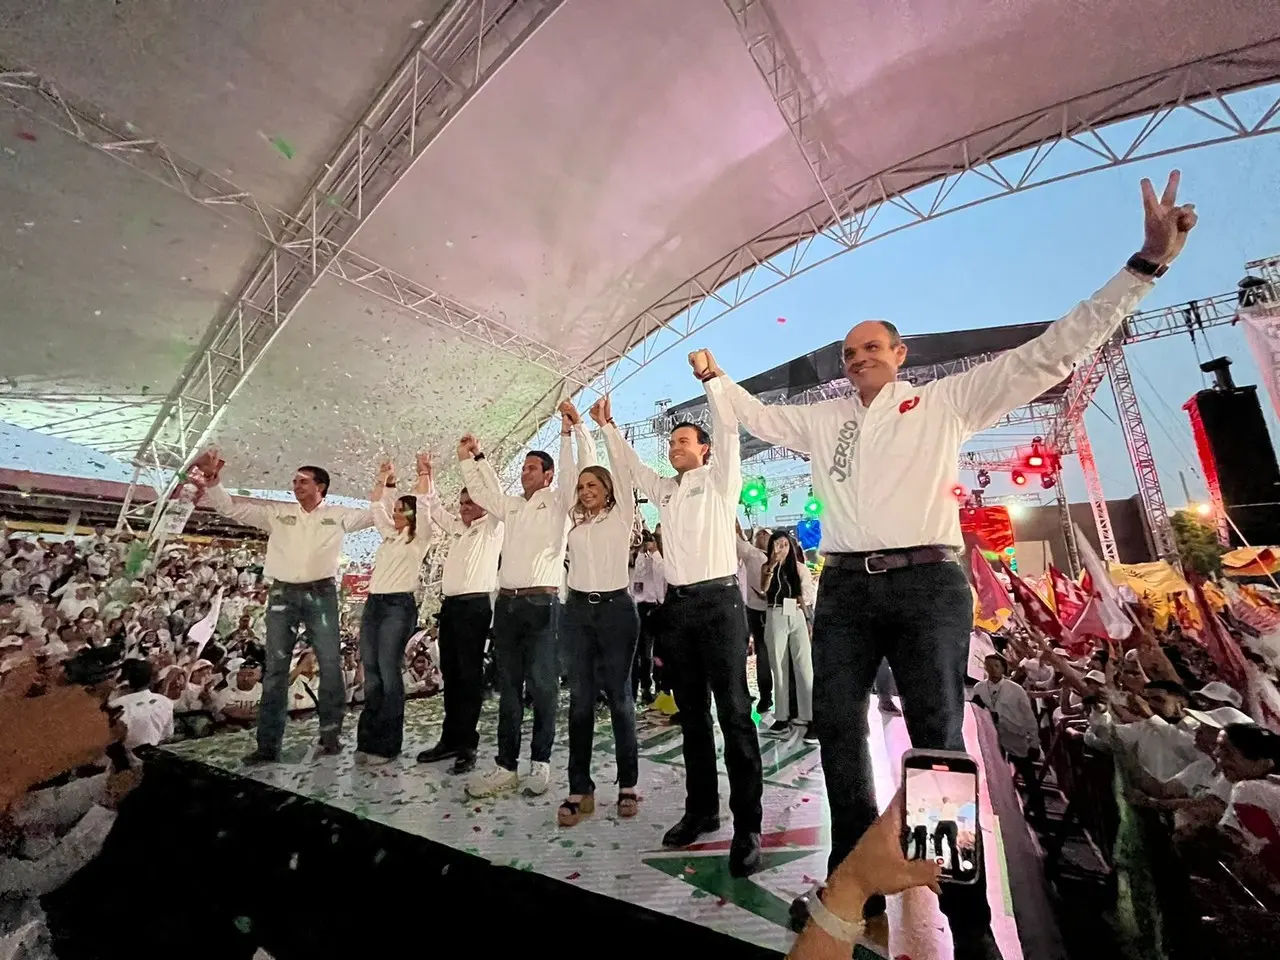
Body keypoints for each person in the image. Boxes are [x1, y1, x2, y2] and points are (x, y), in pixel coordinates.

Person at [704, 170, 1198, 954]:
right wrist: (717, 381)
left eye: (873, 347)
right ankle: (851, 888)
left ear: (900, 355)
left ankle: (965, 921)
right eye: (849, 350)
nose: (859, 357)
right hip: (843, 590)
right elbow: (756, 415)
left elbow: (1050, 353)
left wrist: (1144, 267)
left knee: (937, 737)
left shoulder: (944, 403)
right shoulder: (824, 418)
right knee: (835, 727)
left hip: (930, 583)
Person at [598, 361, 765, 878]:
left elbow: (731, 429)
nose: (674, 448)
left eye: (684, 441)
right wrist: (607, 427)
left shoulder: (720, 481)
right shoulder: (666, 492)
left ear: (705, 450)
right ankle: (701, 810)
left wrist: (712, 381)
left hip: (720, 605)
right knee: (691, 716)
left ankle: (749, 826)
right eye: (671, 444)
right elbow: (627, 467)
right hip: (679, 606)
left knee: (735, 715)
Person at [192, 449, 384, 762]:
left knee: (331, 667)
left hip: (321, 594)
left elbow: (377, 515)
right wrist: (213, 480)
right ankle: (268, 747)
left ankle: (330, 739)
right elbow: (228, 507)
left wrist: (383, 485)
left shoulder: (338, 514)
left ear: (320, 487)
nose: (296, 486)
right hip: (282, 594)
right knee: (276, 672)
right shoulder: (277, 512)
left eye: (303, 481)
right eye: (294, 481)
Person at [457, 402, 595, 798]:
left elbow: (580, 471)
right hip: (508, 605)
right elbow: (484, 492)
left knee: (543, 688)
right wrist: (472, 458)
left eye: (532, 468)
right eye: (523, 468)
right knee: (509, 687)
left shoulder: (559, 503)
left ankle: (541, 763)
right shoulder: (512, 505)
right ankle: (505, 765)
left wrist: (572, 431)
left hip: (543, 606)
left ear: (548, 475)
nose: (525, 473)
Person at [557, 398, 642, 827]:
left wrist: (605, 426)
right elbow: (569, 474)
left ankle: (628, 784)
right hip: (576, 613)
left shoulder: (621, 515)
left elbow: (623, 472)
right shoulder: (574, 523)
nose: (585, 490)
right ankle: (580, 787)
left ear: (608, 491)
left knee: (622, 699)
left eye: (594, 485)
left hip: (615, 612)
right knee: (579, 703)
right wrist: (568, 433)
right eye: (582, 487)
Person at [415, 455, 504, 775]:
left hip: (474, 607)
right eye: (462, 502)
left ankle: (467, 743)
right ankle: (450, 739)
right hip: (451, 608)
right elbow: (435, 508)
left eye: (470, 502)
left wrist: (478, 459)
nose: (464, 507)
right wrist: (428, 476)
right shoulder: (458, 528)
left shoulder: (493, 526)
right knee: (451, 676)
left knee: (468, 678)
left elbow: (492, 490)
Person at [355, 457, 433, 764]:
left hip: (398, 606)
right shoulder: (389, 534)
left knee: (388, 671)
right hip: (374, 603)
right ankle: (368, 741)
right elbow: (376, 505)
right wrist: (384, 477)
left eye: (403, 509)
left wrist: (424, 473)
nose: (396, 512)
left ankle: (388, 745)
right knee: (371, 673)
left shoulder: (420, 538)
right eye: (397, 508)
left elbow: (425, 503)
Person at [972, 653, 1046, 819]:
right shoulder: (979, 688)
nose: (992, 669)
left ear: (1003, 668)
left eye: (996, 666)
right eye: (988, 665)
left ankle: (1041, 815)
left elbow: (1029, 717)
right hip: (992, 737)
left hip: (1015, 737)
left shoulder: (1016, 690)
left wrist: (1034, 742)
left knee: (1029, 777)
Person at [759, 529, 816, 741]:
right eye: (777, 544)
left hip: (797, 616)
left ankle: (809, 716)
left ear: (790, 546)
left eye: (784, 544)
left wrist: (809, 621)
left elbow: (804, 596)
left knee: (804, 667)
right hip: (775, 614)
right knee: (779, 666)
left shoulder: (799, 568)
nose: (781, 548)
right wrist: (772, 567)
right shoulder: (766, 567)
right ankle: (782, 716)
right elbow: (763, 589)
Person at [736, 524, 773, 715]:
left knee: (762, 655)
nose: (760, 537)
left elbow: (738, 540)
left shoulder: (756, 556)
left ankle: (765, 696)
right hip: (754, 609)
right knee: (759, 654)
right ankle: (764, 696)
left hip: (760, 610)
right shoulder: (754, 555)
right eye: (758, 534)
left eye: (764, 535)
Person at [629, 531, 665, 704]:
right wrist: (642, 552)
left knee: (657, 651)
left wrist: (655, 551)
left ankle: (659, 686)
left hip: (656, 606)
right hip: (641, 607)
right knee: (642, 652)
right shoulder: (642, 559)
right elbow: (639, 575)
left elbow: (659, 575)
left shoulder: (660, 561)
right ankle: (642, 688)